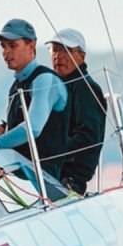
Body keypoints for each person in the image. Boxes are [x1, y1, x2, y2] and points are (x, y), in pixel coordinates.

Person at [0, 18, 69, 179]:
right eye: (3, 46)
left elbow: (33, 128)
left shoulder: (44, 79)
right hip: (21, 174)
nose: (6, 52)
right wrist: (4, 128)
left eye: (12, 45)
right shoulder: (17, 84)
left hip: (45, 180)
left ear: (32, 45)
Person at [45, 28, 108, 194]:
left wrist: (53, 150)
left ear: (82, 55)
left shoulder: (85, 89)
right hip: (48, 172)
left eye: (66, 50)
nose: (58, 56)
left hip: (69, 179)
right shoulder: (54, 87)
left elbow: (88, 136)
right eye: (55, 50)